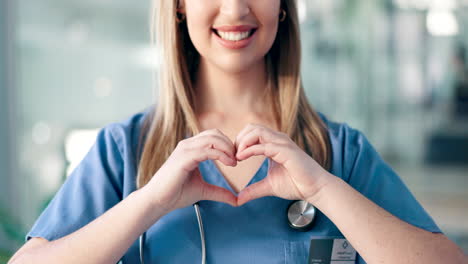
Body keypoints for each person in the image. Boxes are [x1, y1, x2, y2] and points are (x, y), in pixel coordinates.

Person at [9, 0, 466, 263]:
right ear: (180, 7)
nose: (235, 8)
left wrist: (324, 190)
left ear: (283, 8)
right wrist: (149, 203)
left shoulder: (338, 154)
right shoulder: (124, 153)